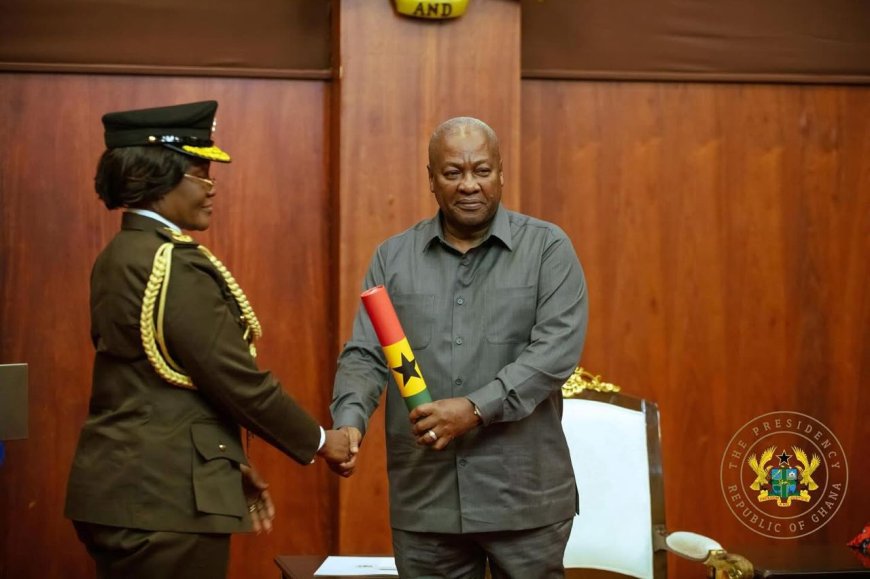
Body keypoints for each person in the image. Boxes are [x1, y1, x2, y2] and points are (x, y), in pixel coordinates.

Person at [65, 100, 355, 579]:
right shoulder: (172, 264)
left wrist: (225, 467)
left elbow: (152, 388)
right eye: (201, 173)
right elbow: (235, 380)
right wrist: (322, 441)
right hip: (165, 501)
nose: (211, 188)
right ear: (160, 178)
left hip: (129, 490)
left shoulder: (121, 254)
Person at [331, 117, 588, 578]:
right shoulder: (393, 257)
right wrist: (349, 420)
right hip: (427, 497)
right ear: (431, 179)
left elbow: (555, 353)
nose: (469, 185)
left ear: (501, 173)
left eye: (482, 170)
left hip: (525, 499)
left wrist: (474, 408)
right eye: (453, 173)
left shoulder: (547, 248)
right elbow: (366, 353)